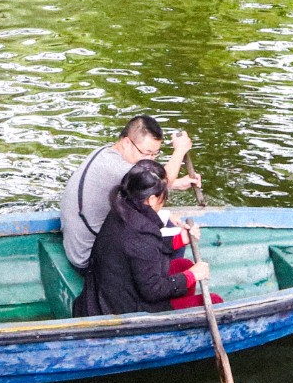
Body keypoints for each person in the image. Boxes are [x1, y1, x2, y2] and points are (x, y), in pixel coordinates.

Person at [74, 160, 220, 317]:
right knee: (215, 301)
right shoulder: (141, 232)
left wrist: (180, 239)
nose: (165, 200)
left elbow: (138, 249)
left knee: (184, 265)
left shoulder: (122, 207)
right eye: (164, 195)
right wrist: (192, 275)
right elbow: (152, 290)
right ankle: (175, 321)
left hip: (111, 290)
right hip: (122, 309)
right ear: (151, 199)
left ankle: (178, 312)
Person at [60, 114, 200, 271]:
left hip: (80, 243)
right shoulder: (115, 168)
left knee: (164, 222)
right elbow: (163, 179)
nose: (151, 160)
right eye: (146, 153)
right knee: (176, 240)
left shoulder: (106, 152)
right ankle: (162, 283)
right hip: (88, 258)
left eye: (155, 154)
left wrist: (178, 183)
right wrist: (180, 151)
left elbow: (142, 184)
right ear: (127, 142)